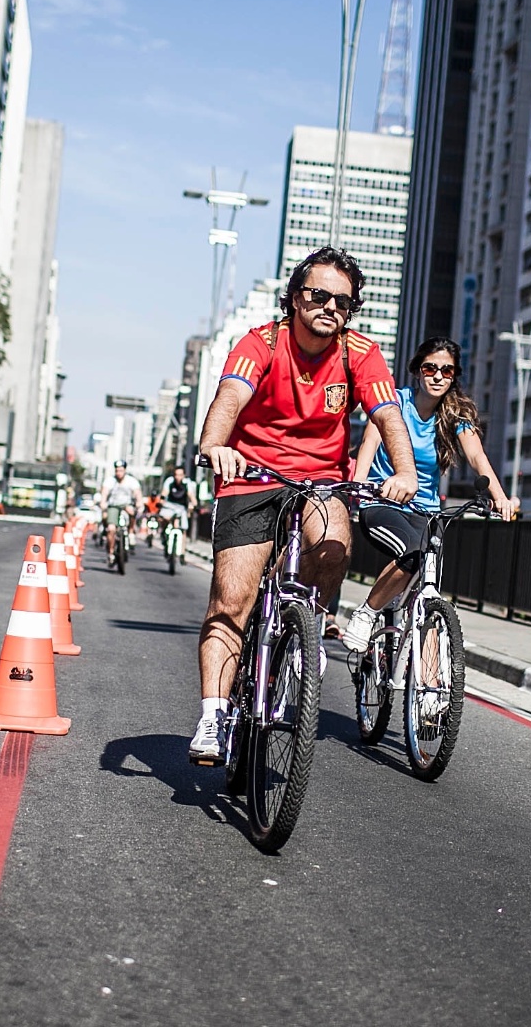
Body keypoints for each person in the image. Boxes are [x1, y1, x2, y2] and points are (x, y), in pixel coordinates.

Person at [190, 246, 419, 765]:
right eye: (318, 295)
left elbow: (387, 417)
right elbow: (228, 399)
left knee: (336, 542)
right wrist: (215, 446)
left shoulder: (358, 353)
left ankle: (310, 622)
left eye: (344, 301)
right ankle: (213, 716)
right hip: (251, 476)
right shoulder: (261, 343)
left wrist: (404, 471)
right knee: (231, 602)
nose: (331, 307)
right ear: (295, 298)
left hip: (321, 481)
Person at [340, 337, 518, 654]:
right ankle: (367, 613)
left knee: (429, 592)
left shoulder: (454, 415)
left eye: (446, 371)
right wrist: (358, 485)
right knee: (412, 553)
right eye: (430, 368)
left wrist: (500, 497)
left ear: (453, 377)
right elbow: (368, 444)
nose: (437, 376)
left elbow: (478, 459)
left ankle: (432, 687)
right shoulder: (395, 403)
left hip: (427, 513)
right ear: (418, 371)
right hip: (383, 504)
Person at [100, 461, 143, 561]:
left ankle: (131, 532)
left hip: (126, 505)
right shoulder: (110, 481)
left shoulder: (131, 481)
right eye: (117, 470)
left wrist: (139, 503)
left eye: (121, 470)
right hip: (113, 506)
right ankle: (111, 553)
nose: (119, 473)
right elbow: (104, 493)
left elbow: (137, 493)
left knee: (132, 511)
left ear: (125, 470)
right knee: (111, 529)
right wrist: (103, 502)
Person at [156, 464, 195, 556]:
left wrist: (194, 504)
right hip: (169, 505)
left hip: (182, 507)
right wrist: (161, 501)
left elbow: (191, 495)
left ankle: (182, 552)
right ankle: (164, 536)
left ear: (184, 475)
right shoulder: (169, 481)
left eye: (180, 475)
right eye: (176, 474)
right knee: (164, 518)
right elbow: (164, 492)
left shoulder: (187, 483)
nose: (178, 477)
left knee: (183, 529)